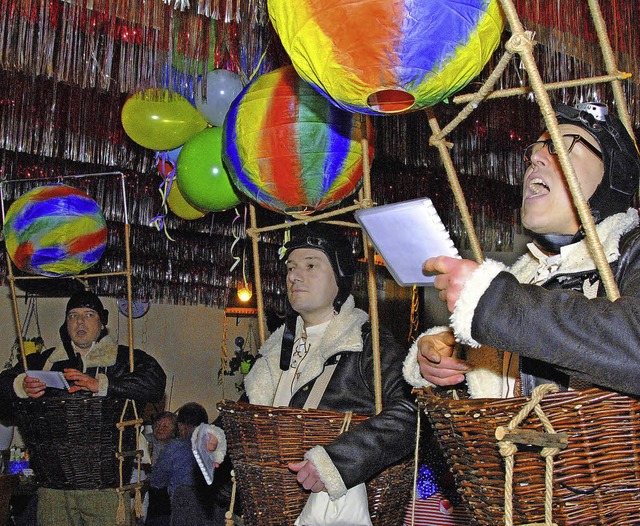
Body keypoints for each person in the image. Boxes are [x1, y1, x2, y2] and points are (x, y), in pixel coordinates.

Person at [403, 101, 640, 399]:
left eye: (560, 145)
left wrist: (493, 302)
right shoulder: (527, 273)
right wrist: (445, 357)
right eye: (535, 151)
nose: (536, 157)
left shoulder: (631, 249)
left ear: (612, 177)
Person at [207, 224, 417, 519]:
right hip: (269, 508)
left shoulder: (367, 343)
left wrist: (338, 461)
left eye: (311, 265)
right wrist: (219, 433)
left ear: (340, 276)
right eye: (291, 267)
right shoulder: (276, 348)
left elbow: (413, 412)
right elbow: (253, 409)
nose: (294, 275)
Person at [0, 289, 167, 526]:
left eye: (89, 314)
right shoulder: (46, 361)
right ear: (66, 323)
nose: (80, 321)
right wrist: (20, 385)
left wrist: (103, 385)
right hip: (53, 487)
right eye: (73, 315)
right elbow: (2, 386)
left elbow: (154, 382)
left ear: (101, 323)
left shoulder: (122, 359)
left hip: (105, 487)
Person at [150, 403, 221, 526]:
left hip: (184, 511)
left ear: (181, 426)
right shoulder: (218, 446)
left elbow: (157, 481)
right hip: (215, 512)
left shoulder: (176, 447)